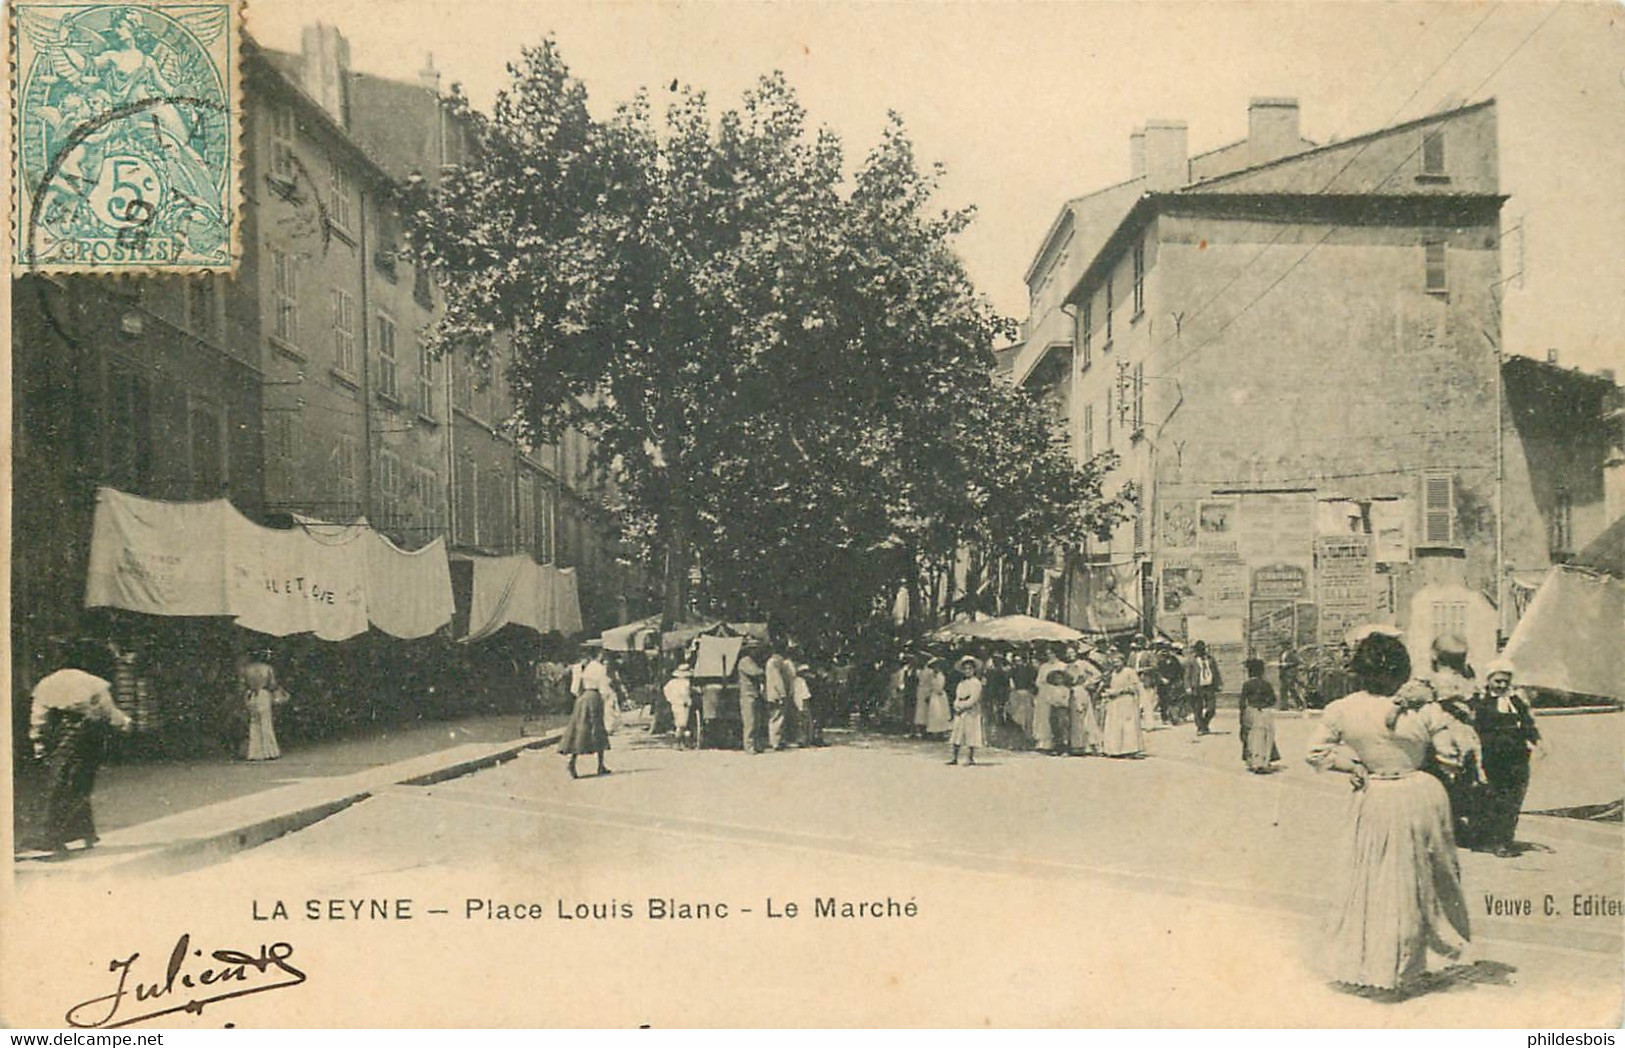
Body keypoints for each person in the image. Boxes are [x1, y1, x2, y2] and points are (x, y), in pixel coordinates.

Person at [1305, 631, 1471, 993]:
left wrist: (1353, 767)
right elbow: (1450, 756)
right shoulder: (1423, 708)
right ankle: (1418, 957)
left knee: (1375, 878)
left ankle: (1376, 961)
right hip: (1419, 795)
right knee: (1423, 878)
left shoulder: (1343, 708)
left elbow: (1316, 752)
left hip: (1375, 795)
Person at [30, 659, 132, 852]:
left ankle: (53, 836)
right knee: (81, 784)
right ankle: (84, 833)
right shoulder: (93, 683)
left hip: (62, 738)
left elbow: (39, 720)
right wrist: (124, 722)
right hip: (90, 739)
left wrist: (39, 744)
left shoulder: (47, 685)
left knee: (59, 784)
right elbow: (109, 711)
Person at [1471, 659, 1541, 858]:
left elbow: (1528, 724)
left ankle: (1506, 839)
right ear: (1489, 680)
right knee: (1494, 800)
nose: (1502, 685)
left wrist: (1537, 742)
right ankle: (1494, 842)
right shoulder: (1482, 704)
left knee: (1514, 799)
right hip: (1494, 760)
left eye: (1505, 682)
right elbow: (1476, 731)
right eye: (1498, 681)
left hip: (1517, 759)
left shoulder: (1516, 702)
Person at [559, 651, 615, 779]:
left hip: (583, 698)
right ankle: (600, 765)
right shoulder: (600, 668)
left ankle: (572, 762)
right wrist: (606, 699)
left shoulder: (580, 666)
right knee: (598, 729)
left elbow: (574, 689)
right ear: (600, 655)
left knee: (579, 729)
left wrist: (582, 696)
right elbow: (604, 688)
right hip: (594, 697)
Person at [240, 650, 287, 761]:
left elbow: (241, 686)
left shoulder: (246, 669)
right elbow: (272, 684)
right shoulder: (267, 668)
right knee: (266, 722)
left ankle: (254, 753)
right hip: (264, 695)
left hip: (250, 695)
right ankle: (270, 751)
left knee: (253, 723)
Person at [1099, 648, 1145, 758]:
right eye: (1114, 662)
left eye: (1118, 662)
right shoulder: (1113, 673)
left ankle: (1130, 749)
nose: (1116, 664)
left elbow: (1136, 686)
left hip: (1126, 701)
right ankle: (1114, 749)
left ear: (1123, 661)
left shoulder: (1129, 672)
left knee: (1128, 725)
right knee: (1114, 725)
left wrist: (1121, 691)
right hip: (1115, 702)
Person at [1239, 657, 1280, 773]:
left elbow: (1242, 702)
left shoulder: (1247, 685)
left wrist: (1242, 717)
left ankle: (1254, 762)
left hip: (1252, 711)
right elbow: (1273, 699)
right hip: (1265, 712)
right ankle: (1265, 761)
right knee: (1266, 737)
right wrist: (1265, 704)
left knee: (1253, 737)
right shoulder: (1266, 684)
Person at [947, 655, 985, 766]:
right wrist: (956, 705)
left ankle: (970, 757)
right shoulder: (962, 683)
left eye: (970, 669)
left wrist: (964, 706)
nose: (967, 671)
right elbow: (957, 696)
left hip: (971, 710)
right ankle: (954, 757)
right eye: (965, 669)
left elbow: (974, 698)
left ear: (974, 670)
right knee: (957, 733)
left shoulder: (976, 683)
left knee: (971, 733)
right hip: (960, 709)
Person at [1067, 647, 1105, 756]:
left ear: (1076, 653)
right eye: (1068, 653)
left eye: (1072, 652)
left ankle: (1092, 745)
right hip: (1071, 691)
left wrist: (1087, 683)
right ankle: (1078, 745)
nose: (1070, 655)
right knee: (1075, 719)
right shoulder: (1067, 666)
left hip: (1081, 690)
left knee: (1086, 717)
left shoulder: (1083, 664)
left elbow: (1097, 674)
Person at [1033, 645, 1069, 754]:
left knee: (1058, 720)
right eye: (1048, 654)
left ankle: (1059, 744)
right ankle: (1044, 743)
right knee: (1044, 717)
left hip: (1059, 693)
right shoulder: (1044, 666)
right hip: (1045, 693)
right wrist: (1045, 687)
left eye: (1052, 653)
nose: (1050, 655)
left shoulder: (1063, 665)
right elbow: (1038, 681)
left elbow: (1067, 679)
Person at [1185, 640, 1222, 736]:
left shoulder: (1210, 659)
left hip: (1209, 686)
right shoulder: (1192, 660)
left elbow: (1216, 672)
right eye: (1199, 650)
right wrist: (1188, 686)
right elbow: (1187, 675)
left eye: (1202, 650)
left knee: (1211, 708)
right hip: (1197, 687)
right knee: (1198, 708)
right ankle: (1200, 727)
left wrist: (1219, 683)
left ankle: (1204, 724)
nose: (1201, 652)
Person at [737, 643, 766, 754]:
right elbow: (756, 672)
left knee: (757, 721)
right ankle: (749, 746)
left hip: (754, 694)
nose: (756, 651)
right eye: (754, 649)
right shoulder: (745, 661)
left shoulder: (752, 661)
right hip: (747, 695)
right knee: (750, 722)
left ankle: (756, 745)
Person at [765, 645, 795, 750]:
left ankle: (778, 740)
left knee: (777, 717)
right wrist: (783, 694)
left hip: (772, 693)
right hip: (776, 694)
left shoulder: (772, 662)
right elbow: (778, 680)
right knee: (777, 717)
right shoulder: (774, 663)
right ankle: (775, 742)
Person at [1006, 650, 1038, 745]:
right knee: (1016, 717)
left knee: (1027, 718)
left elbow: (1034, 682)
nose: (1018, 663)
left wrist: (1031, 692)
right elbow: (1010, 683)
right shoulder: (1012, 670)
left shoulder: (1030, 669)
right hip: (1016, 694)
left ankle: (1027, 739)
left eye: (1019, 660)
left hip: (1027, 694)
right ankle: (1017, 740)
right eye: (1016, 661)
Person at [663, 664, 695, 749]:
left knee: (679, 723)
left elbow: (666, 690)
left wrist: (670, 699)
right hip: (682, 705)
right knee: (682, 724)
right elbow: (686, 694)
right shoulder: (685, 683)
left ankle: (682, 743)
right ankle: (678, 743)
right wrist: (688, 701)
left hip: (674, 704)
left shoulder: (671, 682)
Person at [924, 658, 953, 736]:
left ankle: (941, 732)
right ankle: (934, 732)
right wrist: (929, 694)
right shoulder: (932, 676)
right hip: (934, 696)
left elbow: (939, 687)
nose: (935, 668)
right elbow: (930, 685)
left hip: (939, 696)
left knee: (940, 714)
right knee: (934, 714)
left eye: (937, 667)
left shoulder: (941, 676)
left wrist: (936, 691)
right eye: (934, 667)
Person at [792, 663, 818, 747]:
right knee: (804, 722)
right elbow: (801, 695)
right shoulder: (799, 681)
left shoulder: (799, 681)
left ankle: (806, 739)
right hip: (801, 703)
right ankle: (803, 740)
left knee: (805, 722)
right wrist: (801, 706)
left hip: (802, 702)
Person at [1278, 645, 1304, 713]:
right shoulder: (1281, 654)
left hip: (1290, 673)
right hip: (1283, 674)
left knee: (1290, 689)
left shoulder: (1292, 654)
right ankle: (1284, 706)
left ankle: (1299, 704)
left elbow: (1297, 662)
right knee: (1284, 689)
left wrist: (1287, 664)